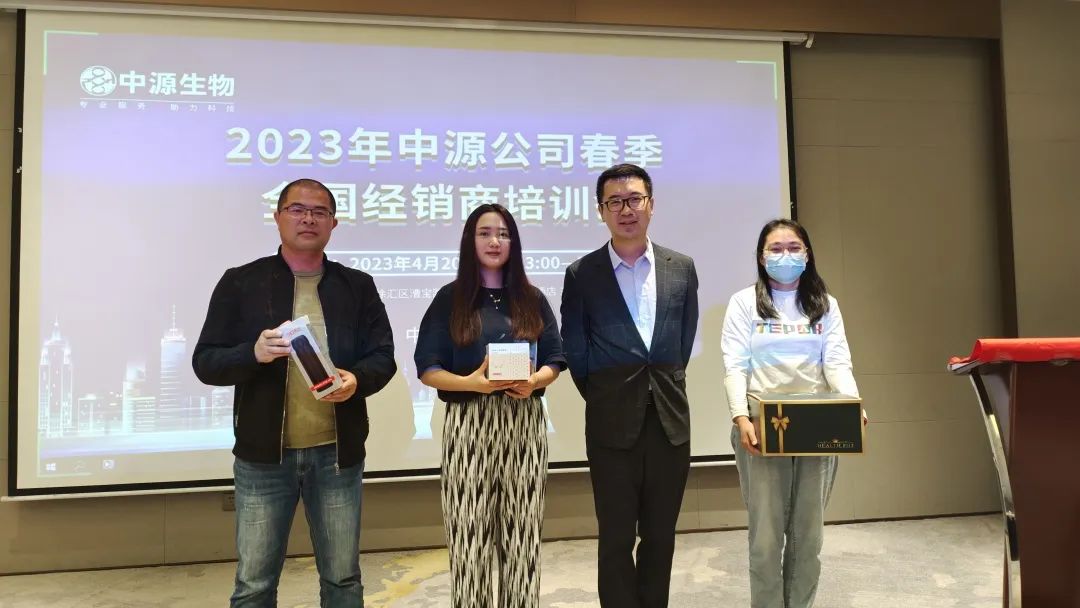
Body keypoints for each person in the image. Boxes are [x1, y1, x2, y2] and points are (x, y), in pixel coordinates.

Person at [192, 178, 396, 608]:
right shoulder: (241, 282)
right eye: (297, 209)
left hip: (336, 455)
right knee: (254, 584)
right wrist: (252, 353)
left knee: (343, 579)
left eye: (319, 212)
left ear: (333, 224)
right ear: (278, 217)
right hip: (263, 459)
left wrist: (356, 380)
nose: (308, 219)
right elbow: (206, 362)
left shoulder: (357, 286)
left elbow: (383, 358)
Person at [560, 163, 700, 607]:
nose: (626, 210)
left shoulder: (681, 268)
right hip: (611, 424)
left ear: (651, 205)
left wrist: (659, 386)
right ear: (601, 210)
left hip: (669, 423)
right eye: (615, 202)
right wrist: (609, 394)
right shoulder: (582, 274)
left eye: (634, 199)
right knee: (616, 538)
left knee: (661, 536)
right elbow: (575, 350)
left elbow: (682, 342)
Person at [413, 203, 565, 608]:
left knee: (522, 541)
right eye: (485, 233)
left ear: (514, 242)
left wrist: (535, 381)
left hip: (524, 423)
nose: (495, 241)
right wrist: (471, 385)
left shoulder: (531, 298)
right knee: (470, 542)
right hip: (468, 424)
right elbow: (427, 368)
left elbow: (555, 359)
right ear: (470, 241)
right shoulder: (450, 299)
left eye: (503, 233)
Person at [720, 218, 862, 608]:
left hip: (816, 426)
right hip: (761, 427)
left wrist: (851, 406)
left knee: (807, 537)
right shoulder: (743, 303)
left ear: (808, 254)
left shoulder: (825, 305)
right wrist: (740, 417)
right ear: (761, 257)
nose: (786, 255)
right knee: (766, 539)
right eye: (776, 249)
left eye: (794, 248)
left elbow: (837, 363)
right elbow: (735, 366)